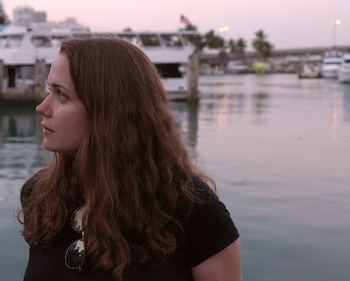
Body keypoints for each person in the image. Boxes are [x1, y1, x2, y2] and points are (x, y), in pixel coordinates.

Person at [19, 37, 241, 281]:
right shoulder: (41, 196)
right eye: (49, 90)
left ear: (109, 110)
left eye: (61, 95)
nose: (42, 107)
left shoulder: (193, 210)